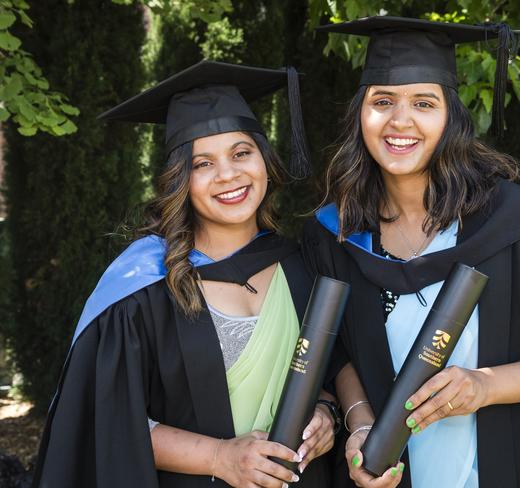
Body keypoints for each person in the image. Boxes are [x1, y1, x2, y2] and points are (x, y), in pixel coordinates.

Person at [302, 16, 520, 488]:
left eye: (423, 103)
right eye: (381, 101)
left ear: (450, 118)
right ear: (359, 116)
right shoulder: (336, 235)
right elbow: (337, 350)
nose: (400, 120)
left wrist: (484, 385)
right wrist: (361, 421)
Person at [32, 60, 337, 488]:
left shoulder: (302, 265)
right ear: (181, 180)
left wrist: (327, 414)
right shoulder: (143, 284)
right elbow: (104, 421)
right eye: (203, 164)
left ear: (265, 161)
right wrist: (219, 457)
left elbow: (330, 374)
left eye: (241, 153)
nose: (228, 174)